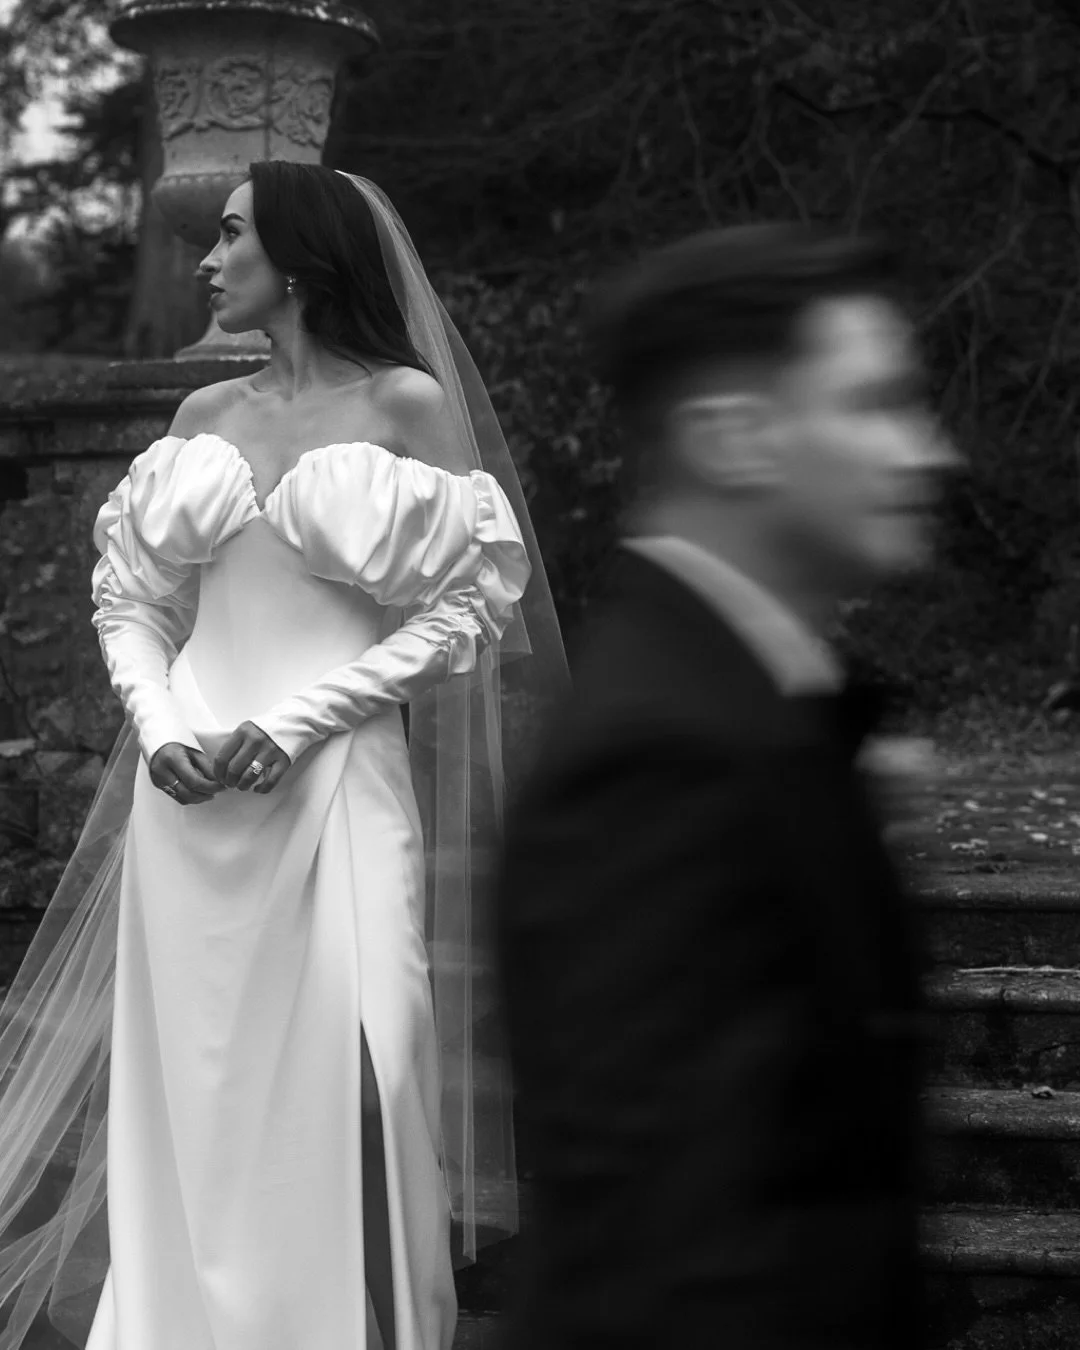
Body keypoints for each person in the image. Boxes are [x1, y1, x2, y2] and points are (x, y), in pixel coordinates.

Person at [0, 162, 565, 1350]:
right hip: (192, 802)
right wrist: (162, 728)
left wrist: (306, 718)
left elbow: (469, 606)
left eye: (231, 236)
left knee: (379, 1061)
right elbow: (130, 602)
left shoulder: (404, 403)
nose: (208, 262)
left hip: (340, 780)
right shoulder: (202, 419)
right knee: (201, 1086)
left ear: (301, 259)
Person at [495, 223, 961, 1350]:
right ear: (732, 438)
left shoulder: (751, 703)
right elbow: (677, 1266)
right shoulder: (653, 763)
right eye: (877, 404)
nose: (930, 453)